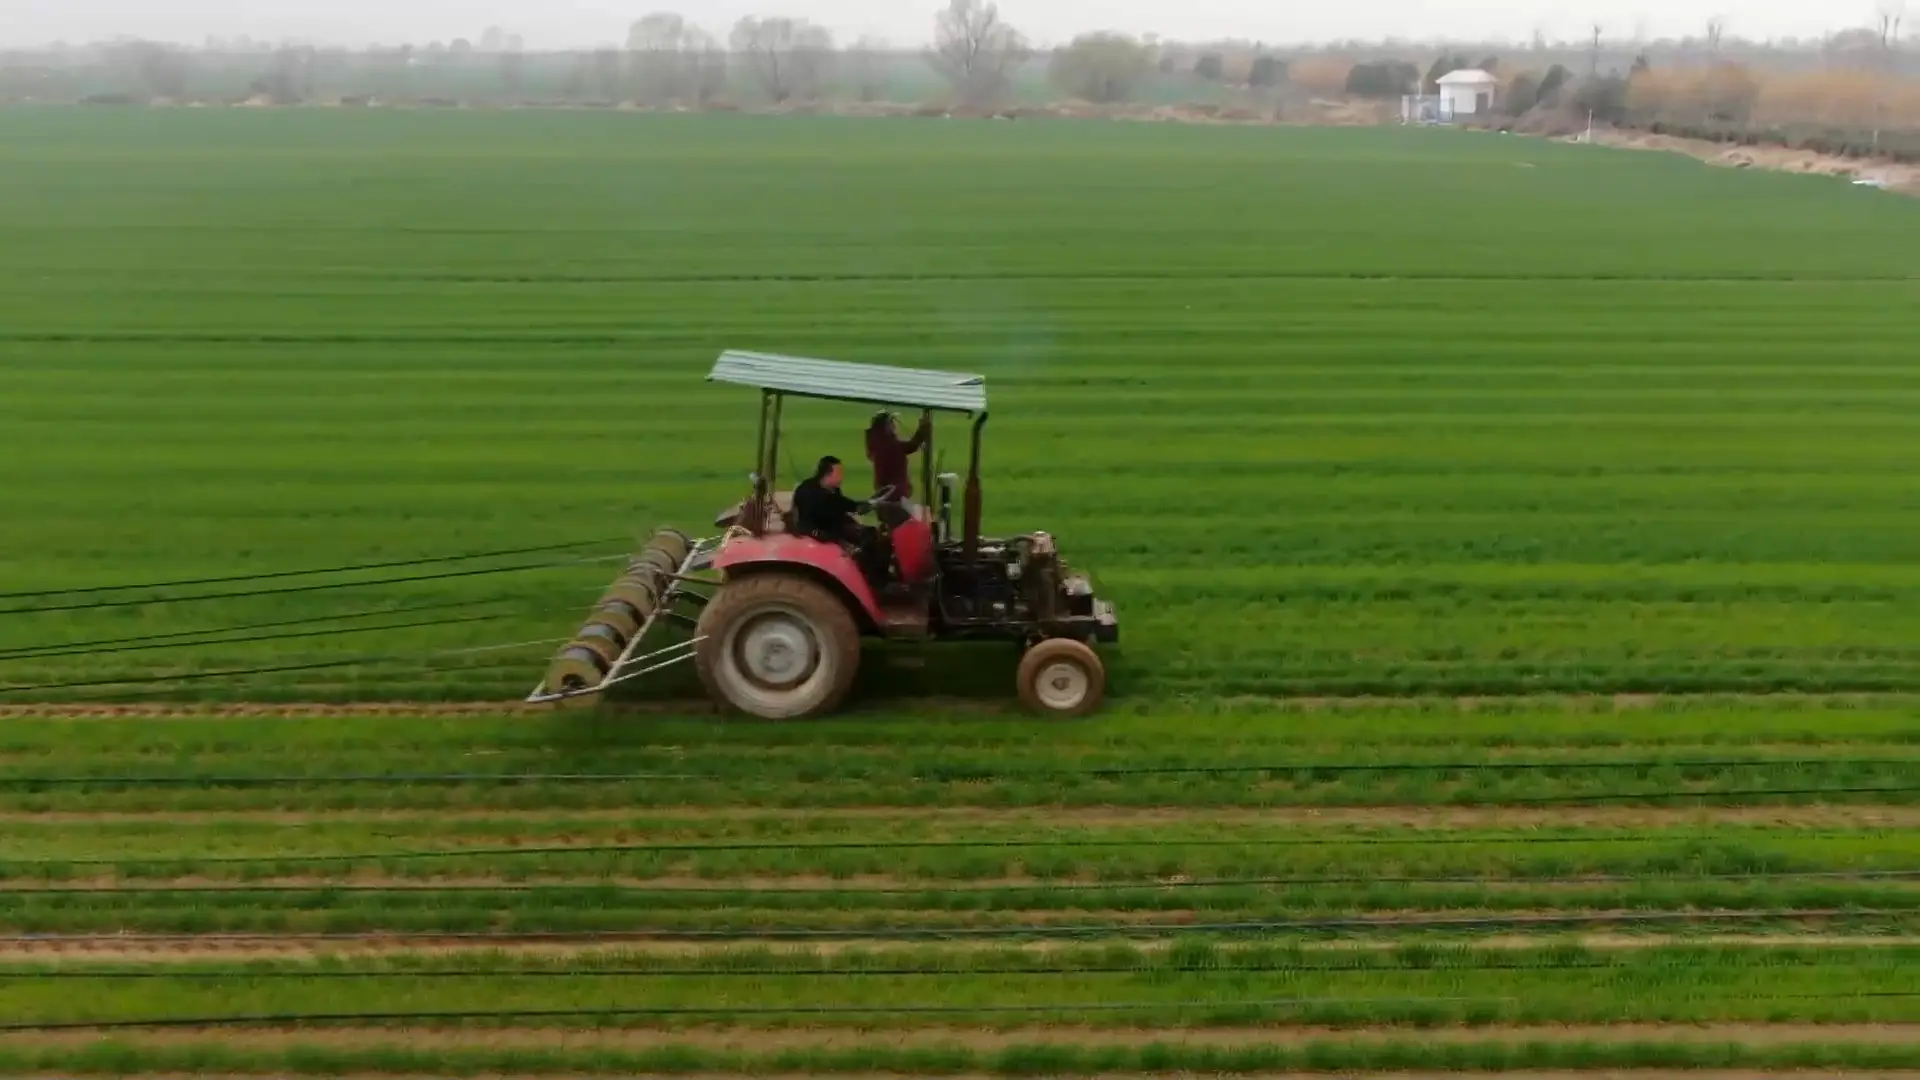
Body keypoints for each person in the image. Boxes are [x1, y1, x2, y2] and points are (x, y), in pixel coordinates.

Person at [864, 410, 931, 528]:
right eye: (891, 423)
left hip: (884, 500)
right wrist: (923, 429)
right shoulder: (890, 446)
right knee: (917, 523)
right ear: (886, 427)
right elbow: (912, 446)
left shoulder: (878, 445)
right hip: (895, 501)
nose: (894, 426)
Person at [791, 455, 872, 547]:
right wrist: (855, 509)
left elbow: (841, 503)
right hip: (817, 530)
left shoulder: (832, 490)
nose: (842, 477)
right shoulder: (808, 492)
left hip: (829, 526)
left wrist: (858, 507)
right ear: (827, 474)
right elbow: (835, 507)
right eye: (839, 473)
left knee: (867, 532)